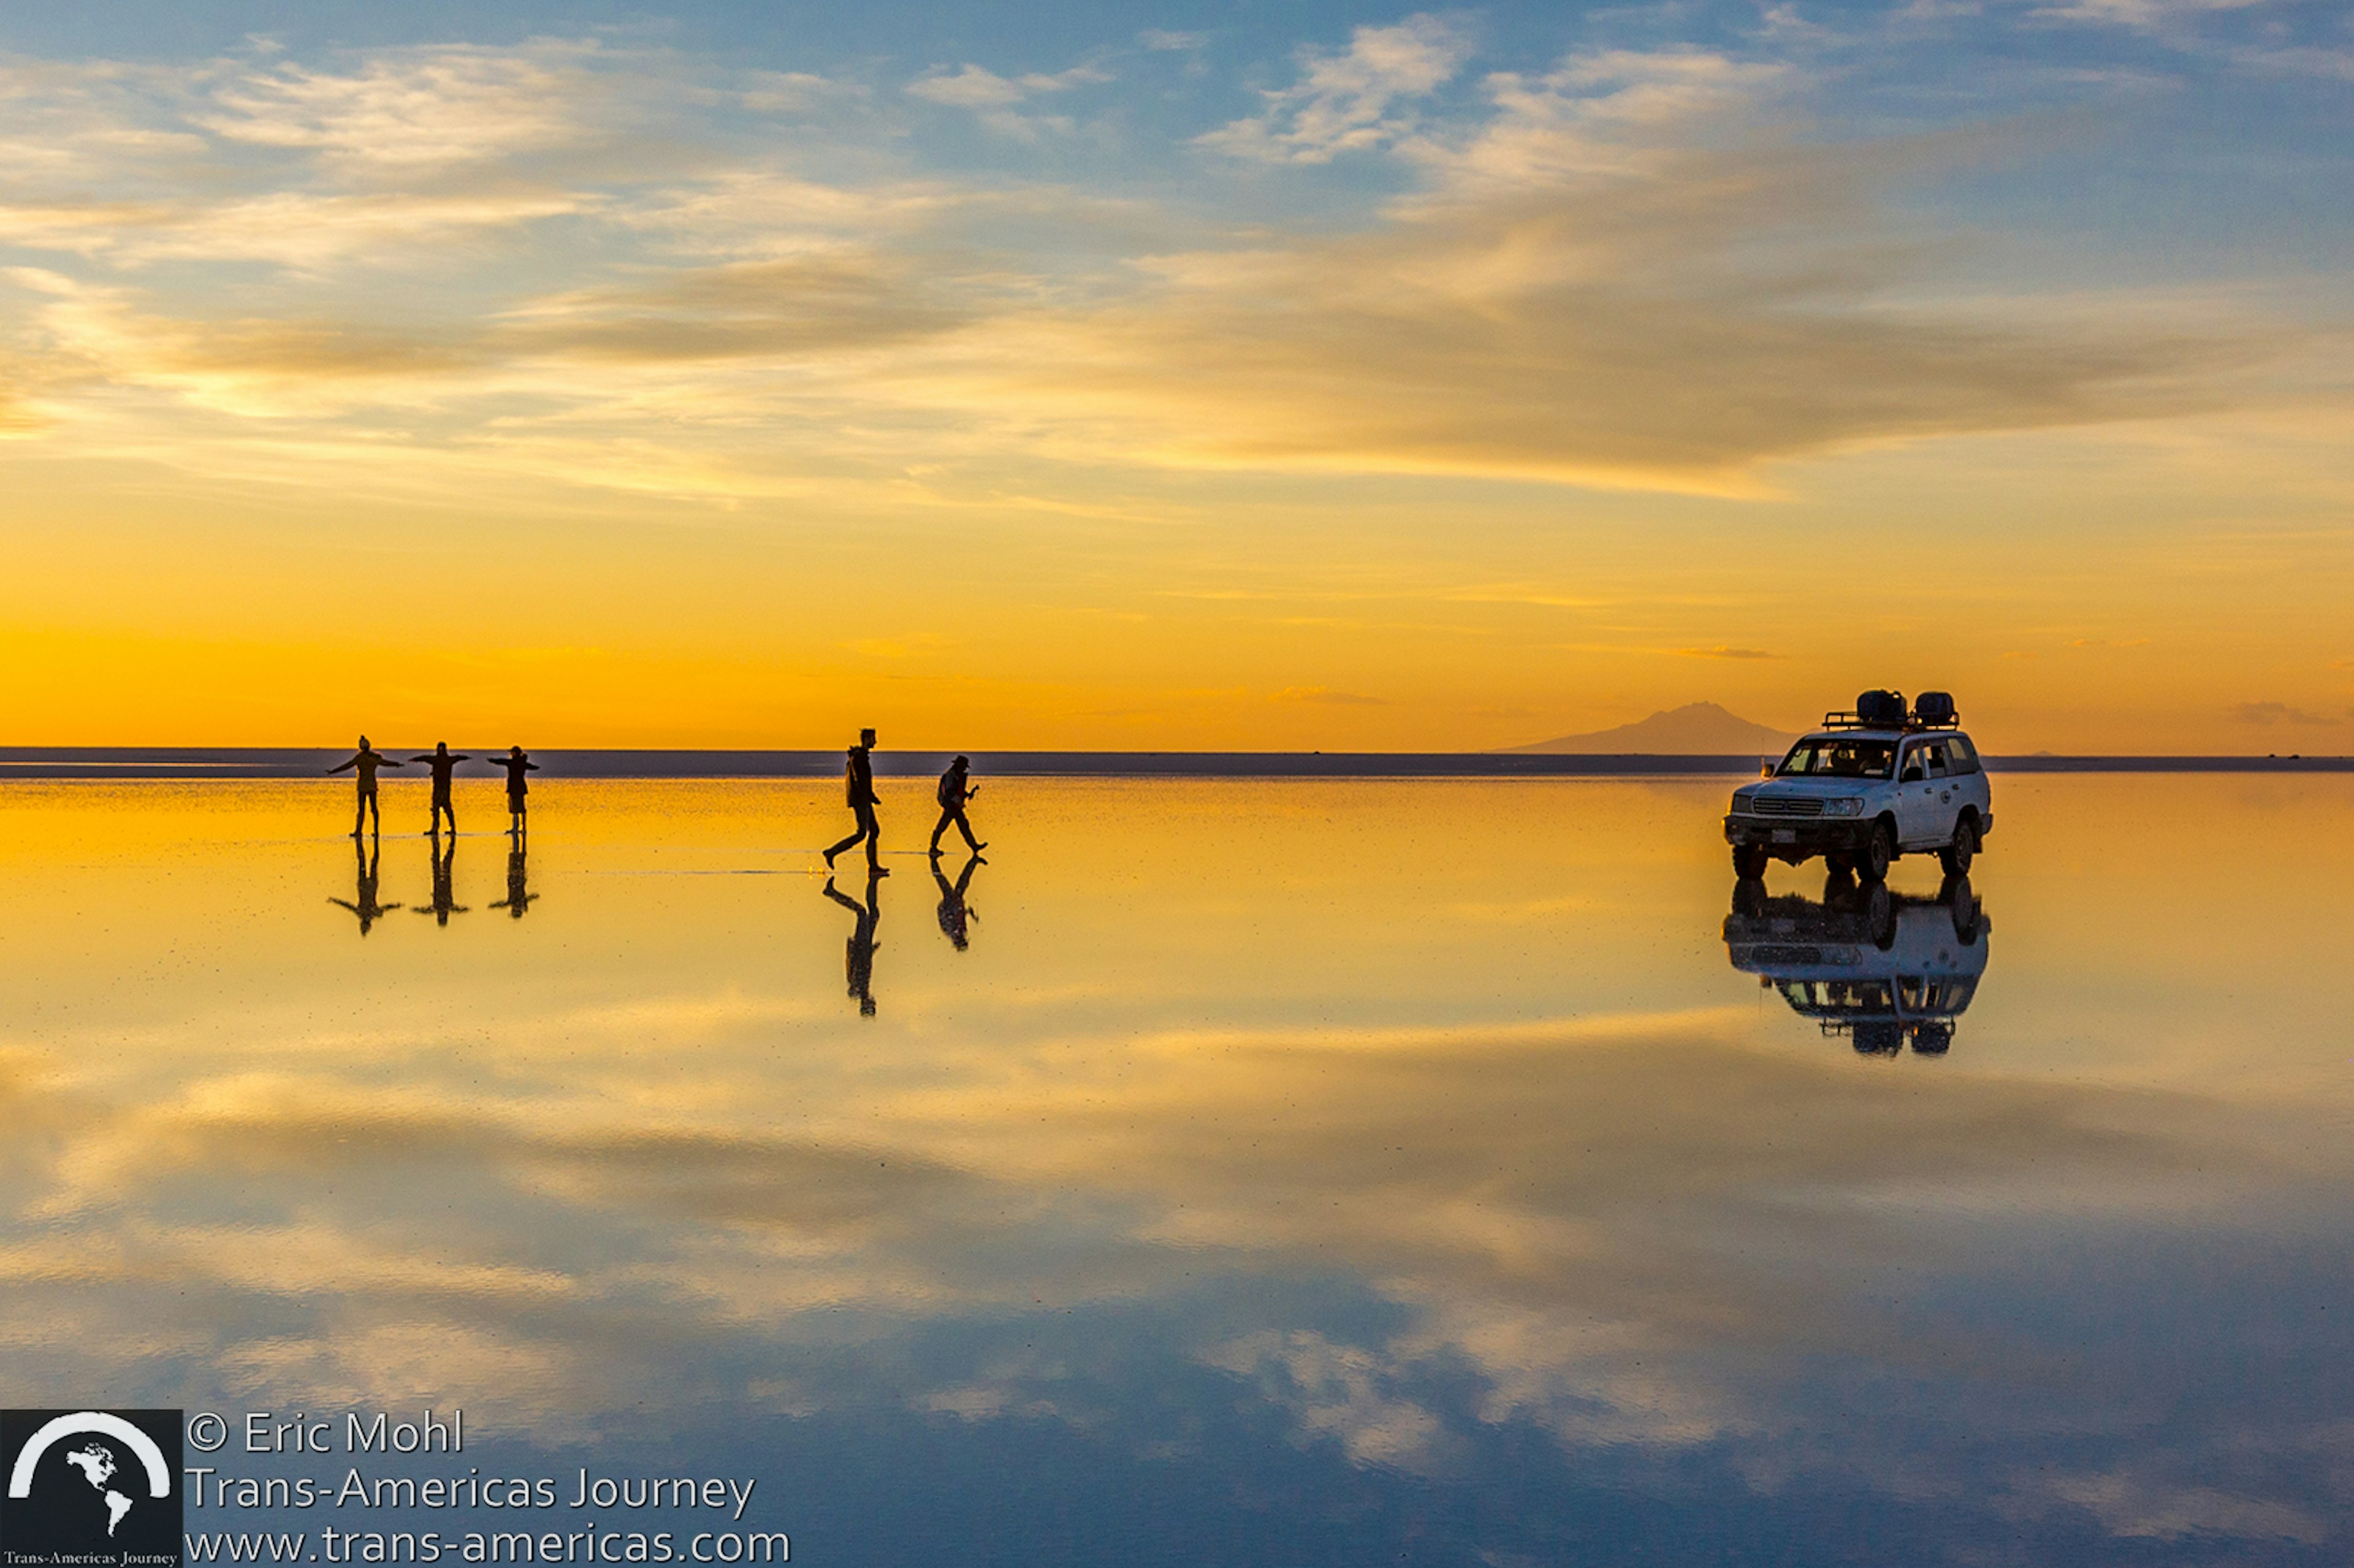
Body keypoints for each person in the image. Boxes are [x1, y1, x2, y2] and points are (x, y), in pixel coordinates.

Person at [823, 727, 886, 875]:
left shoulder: (860, 756)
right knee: (862, 833)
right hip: (861, 800)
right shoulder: (859, 758)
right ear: (866, 739)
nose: (875, 742)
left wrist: (870, 796)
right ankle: (831, 852)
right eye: (873, 739)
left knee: (874, 831)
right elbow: (859, 780)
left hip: (864, 799)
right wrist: (869, 796)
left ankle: (873, 866)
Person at [823, 867, 882, 1016]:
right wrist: (871, 950)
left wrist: (865, 949)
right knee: (872, 914)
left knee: (863, 913)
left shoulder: (860, 987)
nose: (873, 1001)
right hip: (864, 946)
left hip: (861, 946)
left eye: (871, 1004)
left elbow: (859, 964)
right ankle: (872, 884)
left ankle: (833, 894)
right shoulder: (862, 988)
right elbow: (864, 964)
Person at [327, 735, 403, 839]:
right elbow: (385, 763)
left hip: (362, 786)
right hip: (372, 786)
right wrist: (396, 764)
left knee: (362, 809)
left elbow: (347, 765)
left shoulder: (360, 758)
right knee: (374, 809)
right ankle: (376, 831)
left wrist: (333, 772)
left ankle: (359, 831)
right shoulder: (375, 758)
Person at [328, 834, 400, 934]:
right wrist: (395, 906)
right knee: (370, 862)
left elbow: (348, 906)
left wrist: (335, 901)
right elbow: (386, 908)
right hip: (369, 885)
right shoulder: (370, 913)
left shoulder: (365, 913)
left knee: (368, 861)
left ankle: (373, 842)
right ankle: (375, 842)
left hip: (364, 885)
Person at [928, 755, 986, 858]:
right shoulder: (951, 775)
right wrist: (958, 801)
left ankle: (974, 846)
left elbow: (958, 791)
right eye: (964, 766)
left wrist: (967, 795)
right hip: (950, 806)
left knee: (964, 826)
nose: (964, 768)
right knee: (942, 826)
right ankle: (933, 848)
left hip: (956, 806)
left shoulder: (957, 775)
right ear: (958, 765)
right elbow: (949, 792)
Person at [410, 742, 471, 837]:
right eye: (440, 748)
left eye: (442, 749)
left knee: (447, 809)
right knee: (436, 810)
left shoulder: (447, 760)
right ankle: (436, 829)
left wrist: (466, 758)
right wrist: (415, 759)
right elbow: (425, 758)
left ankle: (452, 829)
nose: (441, 751)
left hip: (444, 788)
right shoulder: (437, 760)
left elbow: (458, 757)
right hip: (438, 788)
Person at [932, 850, 982, 952]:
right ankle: (972, 863)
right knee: (962, 881)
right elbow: (960, 917)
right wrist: (968, 912)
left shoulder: (951, 931)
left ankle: (934, 861)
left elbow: (947, 915)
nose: (964, 937)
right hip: (954, 902)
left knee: (945, 881)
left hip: (950, 903)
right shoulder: (958, 931)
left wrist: (954, 905)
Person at [495, 745, 539, 835]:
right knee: (521, 808)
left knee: (515, 808)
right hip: (521, 788)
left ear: (515, 753)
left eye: (512, 752)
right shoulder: (522, 763)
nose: (511, 754)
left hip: (514, 788)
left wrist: (492, 760)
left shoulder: (512, 763)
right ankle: (522, 827)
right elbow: (533, 767)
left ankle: (516, 828)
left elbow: (501, 761)